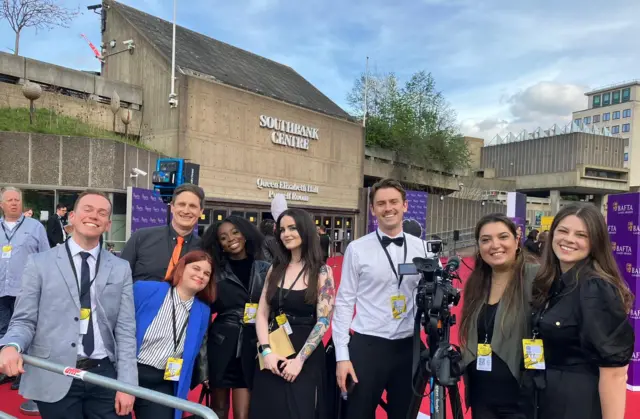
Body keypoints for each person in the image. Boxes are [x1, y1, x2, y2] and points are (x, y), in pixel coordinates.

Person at [0, 190, 137, 419]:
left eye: (101, 213)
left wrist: (127, 384)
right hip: (56, 371)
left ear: (108, 224)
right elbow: (24, 320)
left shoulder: (120, 268)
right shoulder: (39, 263)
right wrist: (11, 345)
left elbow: (125, 329)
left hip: (104, 374)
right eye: (88, 209)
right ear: (72, 217)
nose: (94, 216)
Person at [333, 178, 436, 419]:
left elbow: (434, 295)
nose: (388, 208)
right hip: (368, 346)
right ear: (372, 209)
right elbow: (345, 302)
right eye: (381, 203)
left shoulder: (424, 249)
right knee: (357, 414)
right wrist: (342, 356)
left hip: (408, 347)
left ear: (405, 206)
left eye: (393, 202)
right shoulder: (357, 249)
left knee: (405, 414)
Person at [529, 202, 635, 419]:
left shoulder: (595, 288)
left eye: (581, 235)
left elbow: (614, 371)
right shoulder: (554, 281)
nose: (569, 239)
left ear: (595, 242)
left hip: (577, 404)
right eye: (563, 231)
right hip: (545, 399)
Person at [250, 208, 336, 419]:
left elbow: (323, 320)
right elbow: (261, 313)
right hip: (272, 351)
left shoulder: (322, 271)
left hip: (305, 356)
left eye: (292, 228)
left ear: (305, 230)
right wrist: (266, 352)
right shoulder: (275, 269)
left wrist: (299, 361)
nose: (286, 234)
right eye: (282, 229)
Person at [459, 214, 538, 419]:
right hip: (481, 396)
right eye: (486, 240)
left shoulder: (535, 276)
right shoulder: (477, 282)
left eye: (503, 237)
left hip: (519, 400)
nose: (495, 245)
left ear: (516, 240)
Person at [133, 250, 215, 419]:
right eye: (196, 268)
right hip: (128, 372)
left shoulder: (202, 311)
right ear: (182, 268)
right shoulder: (145, 290)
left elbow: (194, 352)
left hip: (163, 380)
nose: (201, 275)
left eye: (207, 273)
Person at [201, 216, 269, 419]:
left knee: (243, 414)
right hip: (221, 345)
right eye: (223, 237)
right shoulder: (214, 272)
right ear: (219, 244)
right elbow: (204, 316)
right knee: (218, 410)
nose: (230, 238)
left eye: (235, 232)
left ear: (245, 234)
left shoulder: (265, 268)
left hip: (251, 344)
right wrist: (202, 366)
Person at [0, 187, 50, 411]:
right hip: (1, 289)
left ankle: (23, 372)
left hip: (26, 290)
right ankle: (4, 369)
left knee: (27, 331)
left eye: (17, 200)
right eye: (9, 200)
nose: (13, 203)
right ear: (1, 204)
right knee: (2, 330)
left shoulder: (35, 227)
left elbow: (46, 257)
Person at [122, 184, 204, 282]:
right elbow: (119, 280)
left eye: (192, 206)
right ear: (172, 207)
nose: (186, 211)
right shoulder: (141, 237)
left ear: (201, 211)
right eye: (181, 204)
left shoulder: (204, 248)